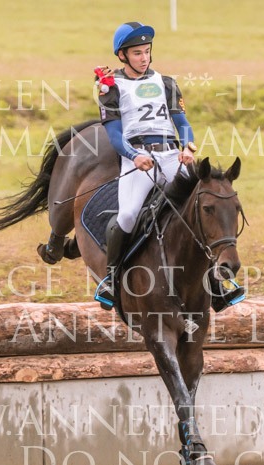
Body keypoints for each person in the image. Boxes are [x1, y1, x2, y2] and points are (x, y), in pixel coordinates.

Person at [94, 21, 244, 312]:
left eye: (147, 51)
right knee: (128, 215)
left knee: (203, 207)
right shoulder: (110, 87)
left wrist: (188, 148)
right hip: (138, 159)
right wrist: (134, 156)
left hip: (172, 156)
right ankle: (111, 280)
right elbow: (114, 134)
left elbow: (182, 124)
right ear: (122, 56)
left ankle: (217, 284)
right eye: (137, 53)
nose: (144, 58)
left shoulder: (166, 83)